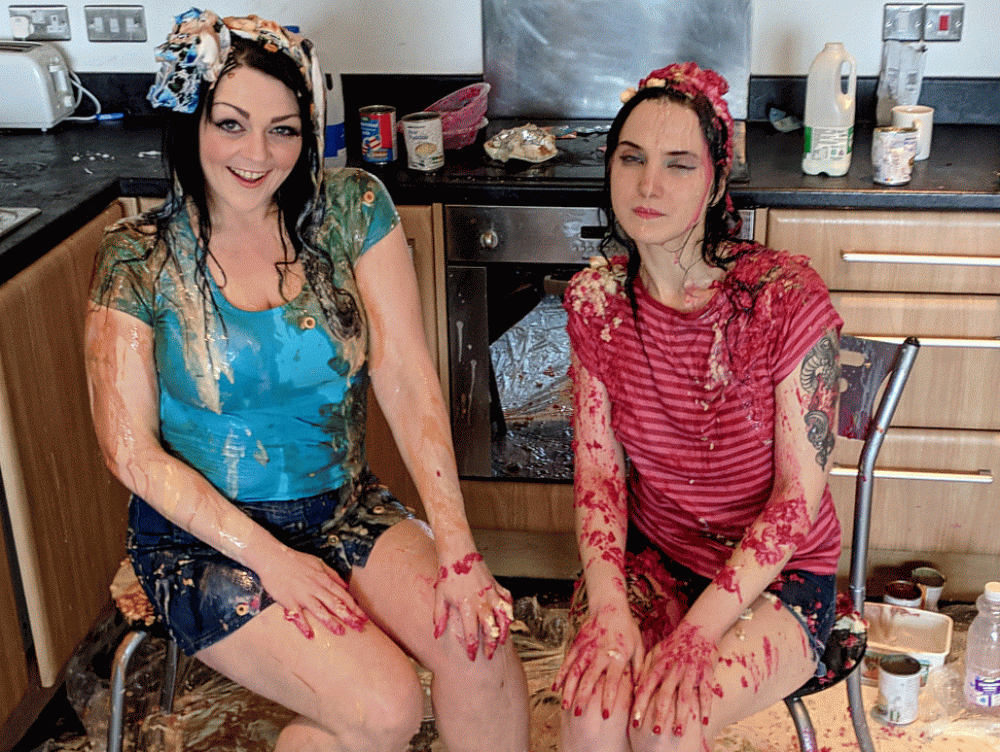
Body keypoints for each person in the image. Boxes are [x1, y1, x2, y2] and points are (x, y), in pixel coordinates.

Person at [85, 9, 529, 751]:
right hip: (204, 542)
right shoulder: (138, 258)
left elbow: (407, 375)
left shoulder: (352, 211)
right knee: (385, 707)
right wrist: (273, 562)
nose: (258, 154)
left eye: (283, 130)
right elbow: (128, 452)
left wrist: (459, 550)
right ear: (192, 124)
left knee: (479, 643)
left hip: (342, 507)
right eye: (231, 124)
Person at [552, 63, 844, 752]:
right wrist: (610, 607)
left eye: (678, 165)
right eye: (632, 159)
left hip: (780, 578)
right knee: (592, 714)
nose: (648, 185)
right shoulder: (597, 302)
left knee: (665, 724)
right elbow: (600, 477)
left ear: (715, 183)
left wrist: (696, 634)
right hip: (655, 556)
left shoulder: (782, 299)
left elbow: (796, 499)